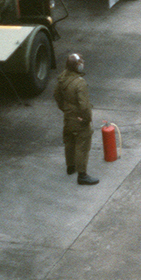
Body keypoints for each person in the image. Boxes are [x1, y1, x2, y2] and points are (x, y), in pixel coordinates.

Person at [54, 53, 99, 186]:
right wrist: (87, 119)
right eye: (80, 63)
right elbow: (84, 106)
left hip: (68, 117)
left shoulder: (62, 78)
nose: (82, 65)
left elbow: (56, 95)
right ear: (76, 66)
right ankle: (82, 175)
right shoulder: (80, 83)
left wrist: (65, 109)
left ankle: (70, 166)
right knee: (82, 145)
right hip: (79, 118)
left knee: (69, 141)